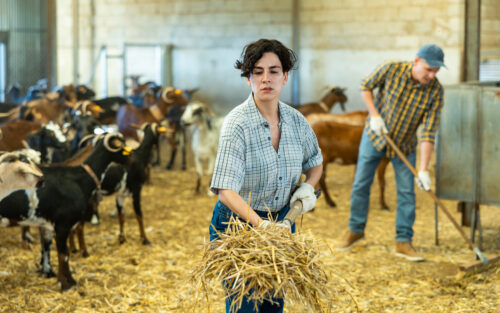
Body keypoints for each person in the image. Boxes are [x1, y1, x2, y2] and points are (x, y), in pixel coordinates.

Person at [209, 38, 323, 313]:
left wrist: (308, 188)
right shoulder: (237, 124)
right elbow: (226, 191)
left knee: (273, 303)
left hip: (282, 222)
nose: (265, 79)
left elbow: (315, 162)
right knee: (244, 305)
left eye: (273, 71)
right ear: (248, 79)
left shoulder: (297, 121)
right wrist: (261, 227)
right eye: (257, 72)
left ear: (285, 76)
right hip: (239, 227)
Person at [336, 44, 445, 262]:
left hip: (404, 145)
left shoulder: (436, 91)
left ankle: (403, 241)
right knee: (360, 185)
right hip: (375, 136)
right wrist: (374, 115)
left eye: (436, 71)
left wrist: (423, 169)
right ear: (416, 61)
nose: (431, 75)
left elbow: (428, 132)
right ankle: (355, 230)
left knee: (406, 193)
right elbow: (365, 86)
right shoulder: (391, 68)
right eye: (428, 69)